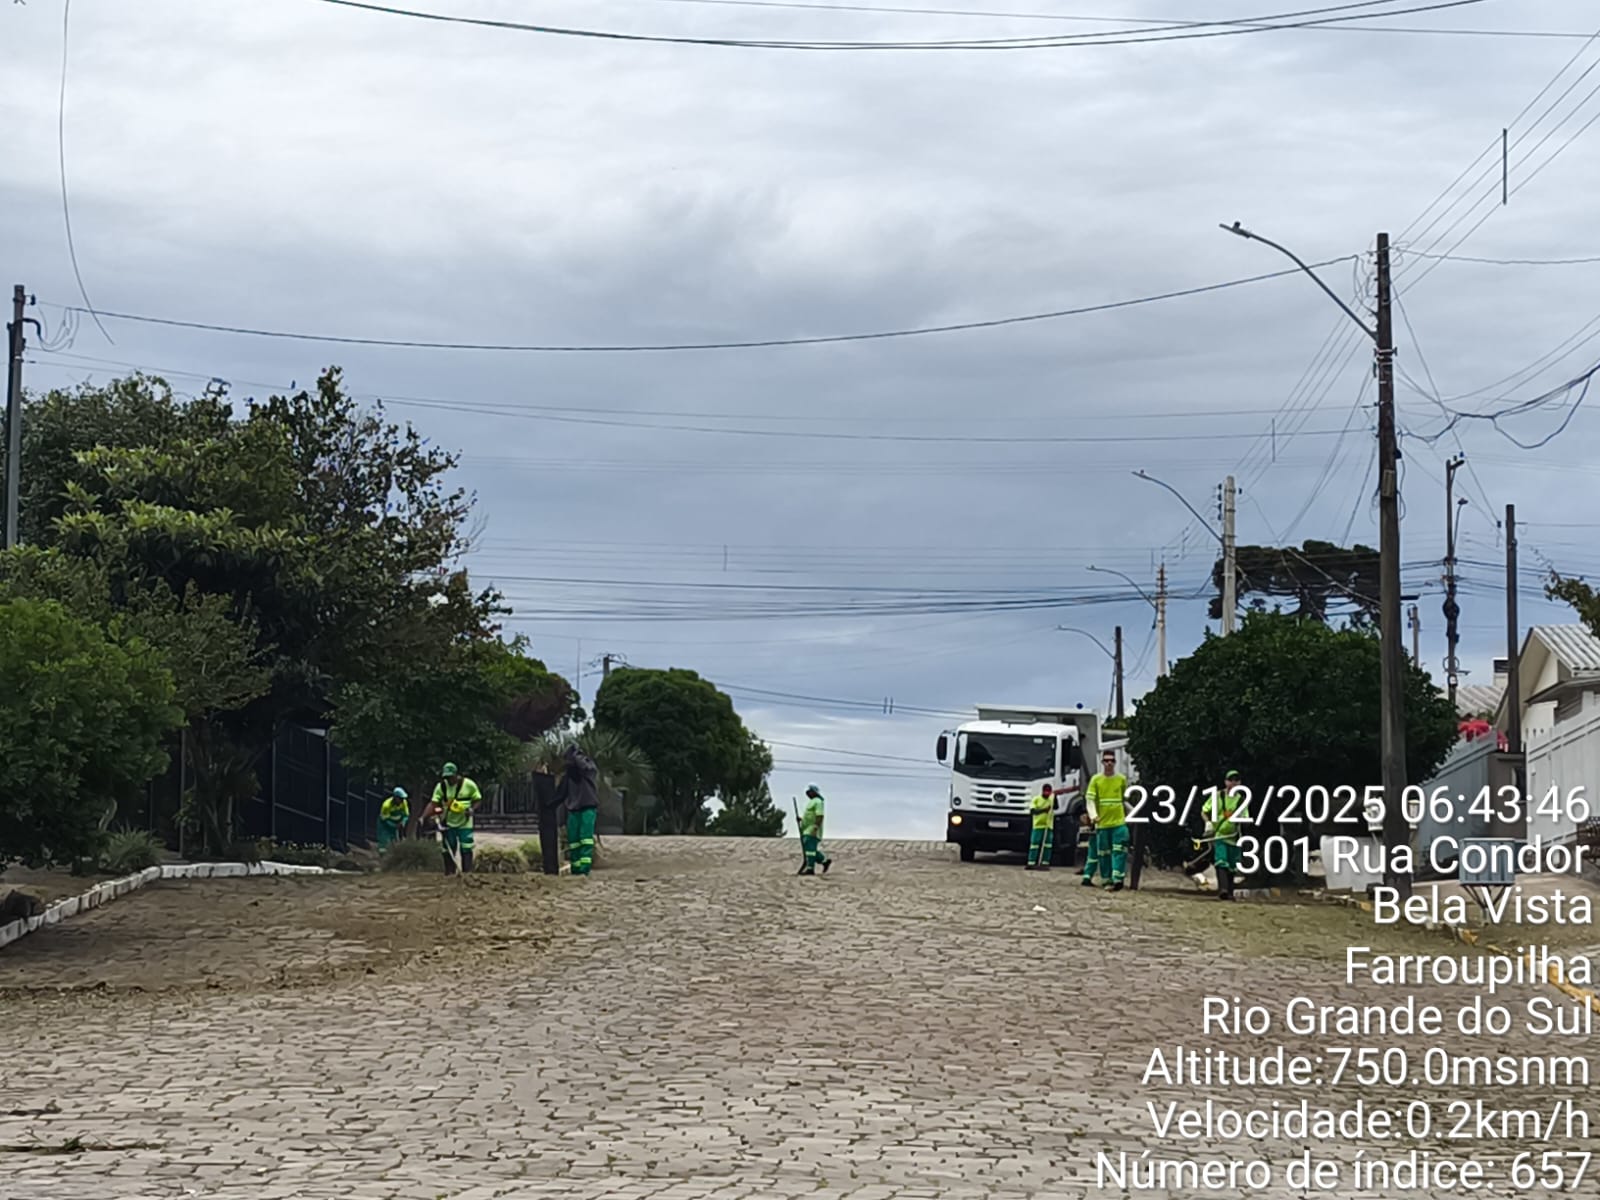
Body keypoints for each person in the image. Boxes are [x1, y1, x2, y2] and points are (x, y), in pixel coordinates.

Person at [1082, 749, 1129, 891]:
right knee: (1104, 853)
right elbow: (1090, 799)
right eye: (1106, 760)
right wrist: (1093, 815)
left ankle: (1118, 878)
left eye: (1112, 761)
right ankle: (1106, 879)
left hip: (1118, 822)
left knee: (1119, 849)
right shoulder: (1096, 780)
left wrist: (1132, 814)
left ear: (1115, 762)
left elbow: (1124, 799)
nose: (1109, 763)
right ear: (1102, 762)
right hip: (1102, 824)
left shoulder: (1121, 779)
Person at [429, 762, 482, 875]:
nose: (449, 780)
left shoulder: (469, 785)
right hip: (448, 822)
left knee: (466, 846)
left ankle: (467, 872)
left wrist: (471, 809)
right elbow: (434, 803)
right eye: (446, 778)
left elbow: (477, 799)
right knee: (448, 847)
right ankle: (450, 873)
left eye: (450, 777)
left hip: (465, 822)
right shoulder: (441, 787)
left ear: (456, 775)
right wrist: (433, 815)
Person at [1204, 769, 1249, 901]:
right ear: (1225, 782)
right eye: (1231, 780)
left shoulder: (1241, 800)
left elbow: (1246, 818)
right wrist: (1208, 823)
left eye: (1236, 780)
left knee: (1232, 865)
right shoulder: (1217, 796)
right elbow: (1204, 811)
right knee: (1221, 861)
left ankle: (1229, 892)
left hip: (1234, 837)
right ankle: (1223, 890)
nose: (1233, 783)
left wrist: (1243, 820)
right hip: (1220, 835)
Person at [562, 744, 599, 876]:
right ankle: (576, 868)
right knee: (574, 841)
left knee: (585, 838)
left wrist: (576, 754)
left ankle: (584, 868)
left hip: (587, 807)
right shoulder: (570, 774)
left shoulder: (589, 768)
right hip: (574, 809)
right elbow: (562, 791)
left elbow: (585, 767)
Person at [797, 784, 832, 876]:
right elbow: (810, 816)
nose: (808, 793)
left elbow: (819, 816)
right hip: (806, 830)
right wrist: (801, 820)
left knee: (810, 851)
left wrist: (815, 828)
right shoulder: (812, 802)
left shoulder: (818, 802)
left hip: (812, 830)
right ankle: (824, 861)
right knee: (809, 850)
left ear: (814, 792)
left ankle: (810, 868)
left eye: (809, 792)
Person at [1025, 783, 1056, 871]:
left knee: (1047, 845)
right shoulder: (1036, 799)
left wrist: (1055, 798)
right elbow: (1033, 811)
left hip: (1048, 825)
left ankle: (1045, 863)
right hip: (1038, 825)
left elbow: (1056, 807)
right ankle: (1031, 862)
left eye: (1049, 792)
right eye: (1046, 791)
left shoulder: (1051, 800)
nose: (1047, 793)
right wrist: (1044, 810)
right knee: (1034, 844)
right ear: (1043, 791)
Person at [376, 787, 410, 851]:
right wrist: (394, 826)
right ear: (395, 797)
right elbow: (384, 819)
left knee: (395, 842)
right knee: (384, 842)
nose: (402, 800)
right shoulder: (386, 805)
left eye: (403, 799)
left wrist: (403, 822)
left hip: (396, 823)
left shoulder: (404, 802)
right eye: (400, 799)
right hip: (385, 824)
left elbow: (406, 815)